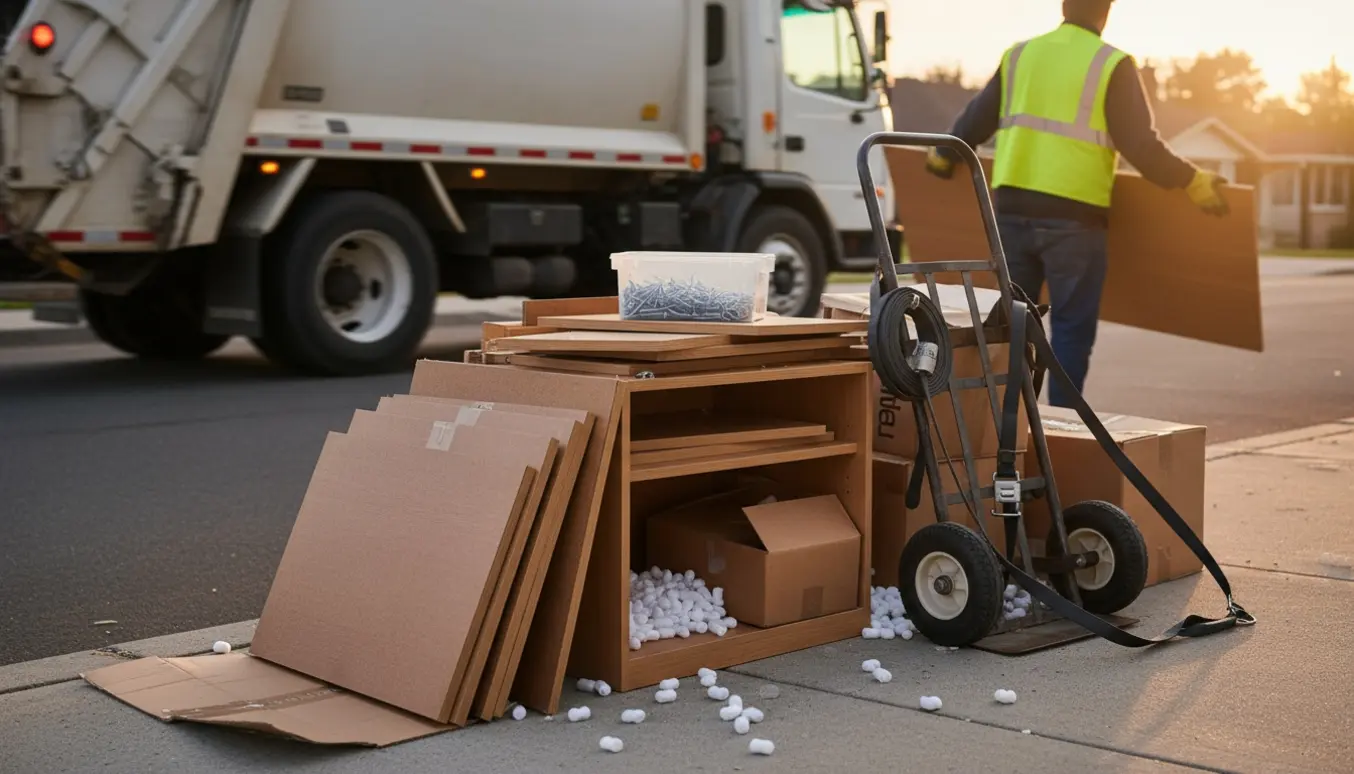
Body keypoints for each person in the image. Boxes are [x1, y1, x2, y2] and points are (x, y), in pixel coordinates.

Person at [923, 0, 1231, 408]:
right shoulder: (1112, 64)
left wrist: (944, 153)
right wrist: (1193, 181)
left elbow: (977, 119)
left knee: (1012, 329)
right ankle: (1063, 429)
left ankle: (1005, 425)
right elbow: (1141, 146)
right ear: (1106, 11)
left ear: (1064, 6)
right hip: (1074, 219)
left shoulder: (1020, 55)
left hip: (1012, 213)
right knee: (1070, 331)